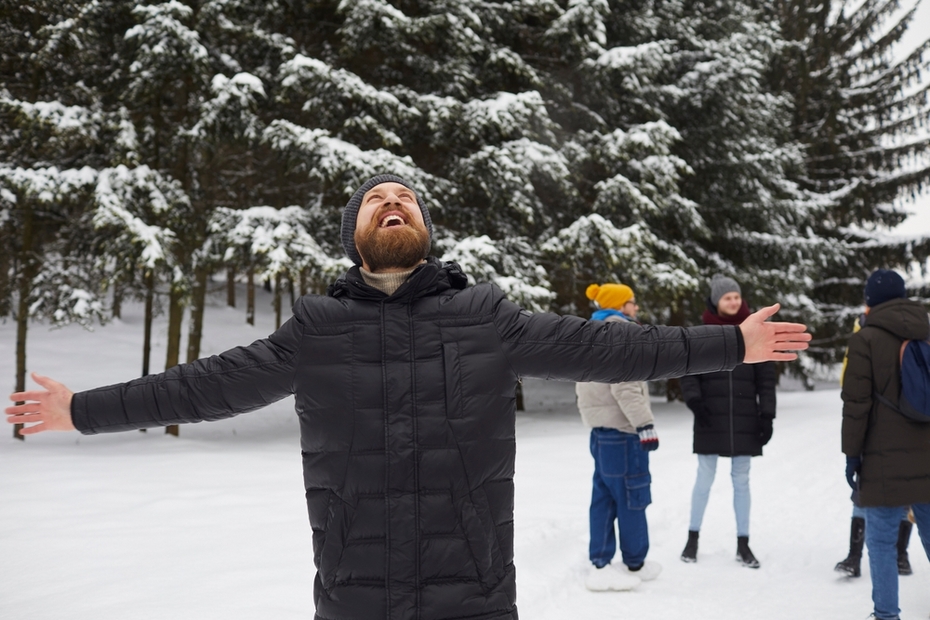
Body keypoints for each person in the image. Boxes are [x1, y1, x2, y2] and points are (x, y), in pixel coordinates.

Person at [5, 174, 811, 620]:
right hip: (354, 599)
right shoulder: (315, 330)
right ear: (354, 233)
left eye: (408, 200)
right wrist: (82, 409)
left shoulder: (484, 317)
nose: (392, 205)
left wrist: (729, 345)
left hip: (478, 600)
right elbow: (202, 386)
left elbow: (609, 346)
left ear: (426, 228)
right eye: (374, 201)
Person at [841, 269, 930, 620]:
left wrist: (851, 455)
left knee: (880, 542)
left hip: (882, 458)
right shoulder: (927, 331)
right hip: (927, 454)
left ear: (869, 300)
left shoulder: (865, 339)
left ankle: (886, 614)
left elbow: (856, 404)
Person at [679, 275, 777, 568]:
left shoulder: (755, 331)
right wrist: (695, 402)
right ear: (716, 301)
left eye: (736, 296)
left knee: (742, 481)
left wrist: (767, 415)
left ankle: (743, 544)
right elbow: (688, 371)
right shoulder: (703, 332)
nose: (734, 302)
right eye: (727, 297)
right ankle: (692, 538)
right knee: (704, 479)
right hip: (710, 417)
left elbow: (766, 378)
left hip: (746, 419)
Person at [575, 283, 661, 592]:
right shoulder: (621, 334)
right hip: (623, 433)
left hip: (601, 433)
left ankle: (600, 561)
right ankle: (633, 562)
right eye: (632, 302)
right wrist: (645, 424)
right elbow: (625, 387)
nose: (636, 307)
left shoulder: (592, 332)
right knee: (632, 496)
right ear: (620, 305)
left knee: (604, 497)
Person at [834, 311, 914, 579]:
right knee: (870, 489)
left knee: (897, 491)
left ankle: (898, 555)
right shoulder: (911, 327)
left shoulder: (907, 330)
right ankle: (857, 556)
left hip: (895, 423)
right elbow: (849, 380)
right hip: (888, 425)